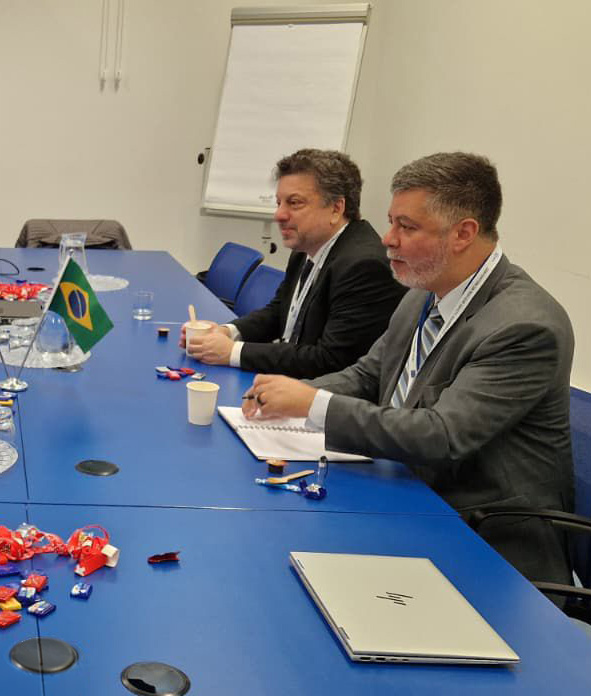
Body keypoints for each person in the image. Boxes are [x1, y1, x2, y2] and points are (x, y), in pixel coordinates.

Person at [242, 152, 575, 584]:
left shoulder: (525, 326)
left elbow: (442, 434)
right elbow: (368, 374)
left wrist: (314, 404)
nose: (387, 239)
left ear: (463, 233)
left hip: (483, 544)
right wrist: (288, 396)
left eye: (407, 227)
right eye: (391, 221)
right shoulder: (424, 290)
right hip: (405, 495)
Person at [183, 149, 405, 378]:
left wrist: (233, 352)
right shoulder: (306, 246)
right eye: (279, 203)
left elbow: (331, 360)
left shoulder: (364, 266)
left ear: (336, 208)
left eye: (294, 203)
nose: (279, 214)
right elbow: (279, 312)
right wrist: (227, 332)